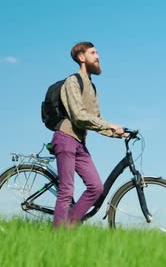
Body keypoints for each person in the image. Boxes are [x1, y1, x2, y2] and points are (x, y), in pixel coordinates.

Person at [51, 41, 125, 228]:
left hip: (80, 142)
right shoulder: (72, 81)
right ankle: (58, 235)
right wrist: (109, 125)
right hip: (65, 138)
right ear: (81, 57)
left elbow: (95, 120)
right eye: (93, 53)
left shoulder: (91, 87)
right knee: (66, 190)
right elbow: (79, 115)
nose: (98, 56)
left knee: (96, 187)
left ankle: (69, 224)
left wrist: (119, 133)